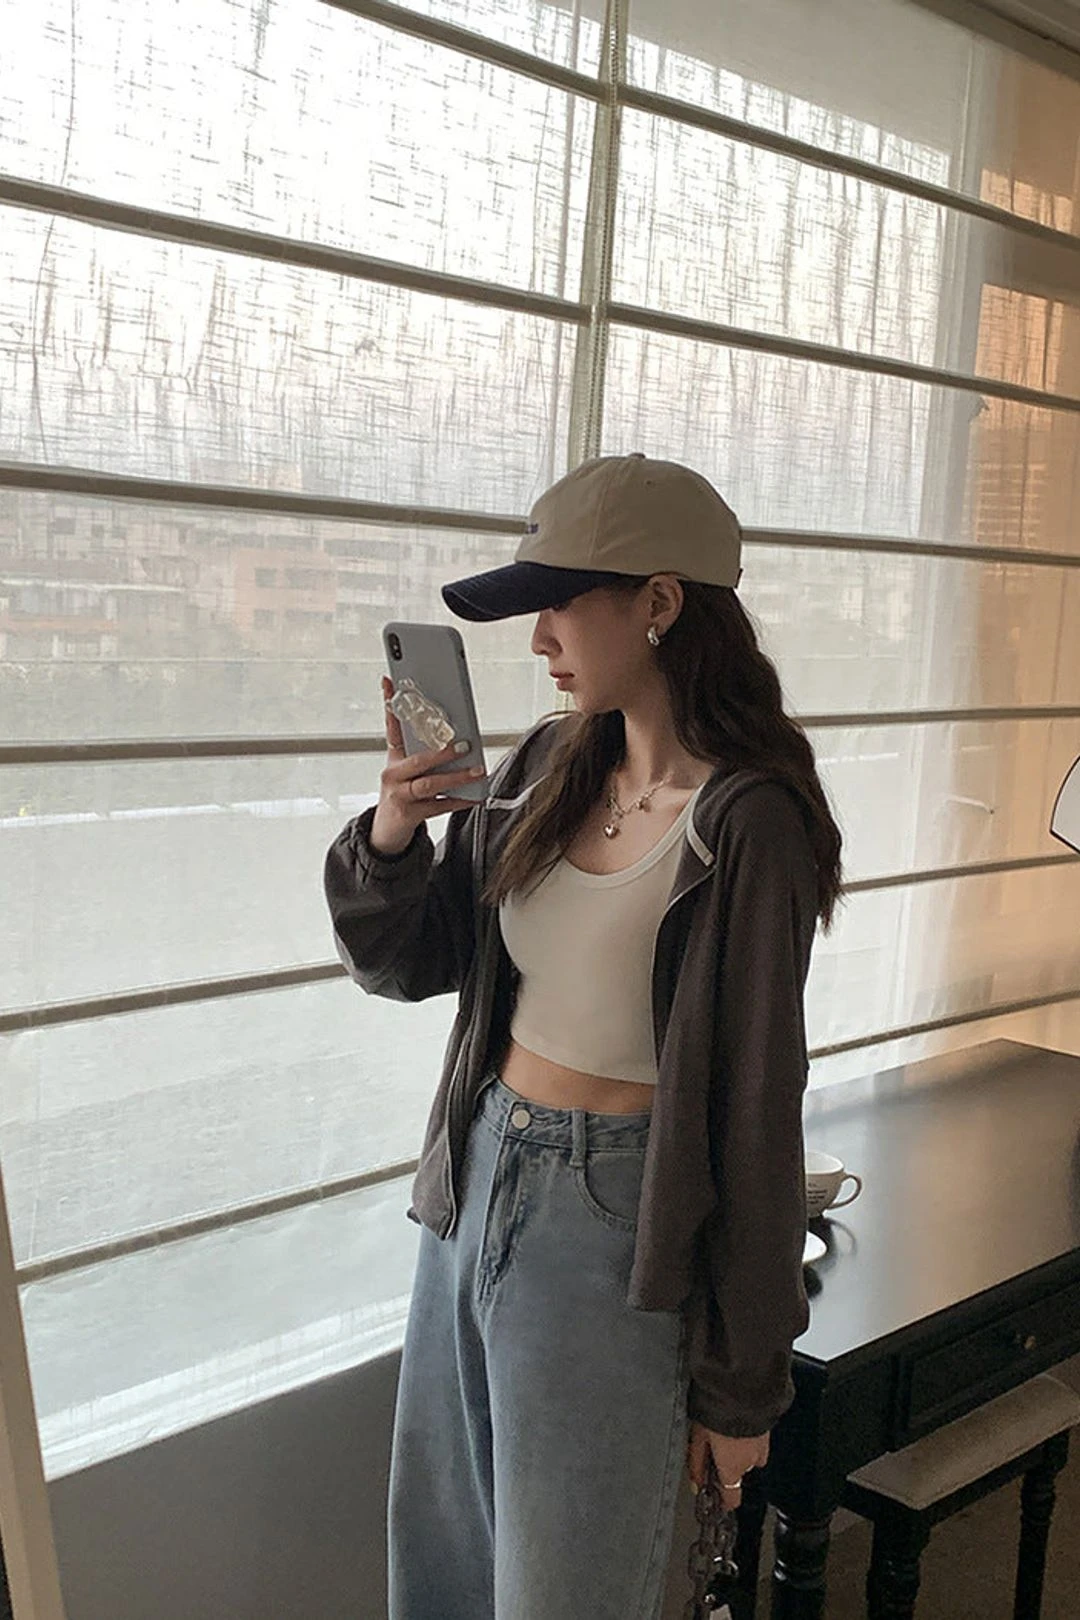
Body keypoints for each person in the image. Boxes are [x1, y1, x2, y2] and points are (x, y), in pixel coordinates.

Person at [324, 453, 844, 1620]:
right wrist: (396, 828)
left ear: (659, 603)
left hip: (617, 1216)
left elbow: (759, 1110)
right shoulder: (551, 764)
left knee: (572, 1585)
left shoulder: (748, 823)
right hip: (476, 1178)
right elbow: (408, 964)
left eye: (560, 603)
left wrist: (741, 1392)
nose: (538, 638)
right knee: (445, 1564)